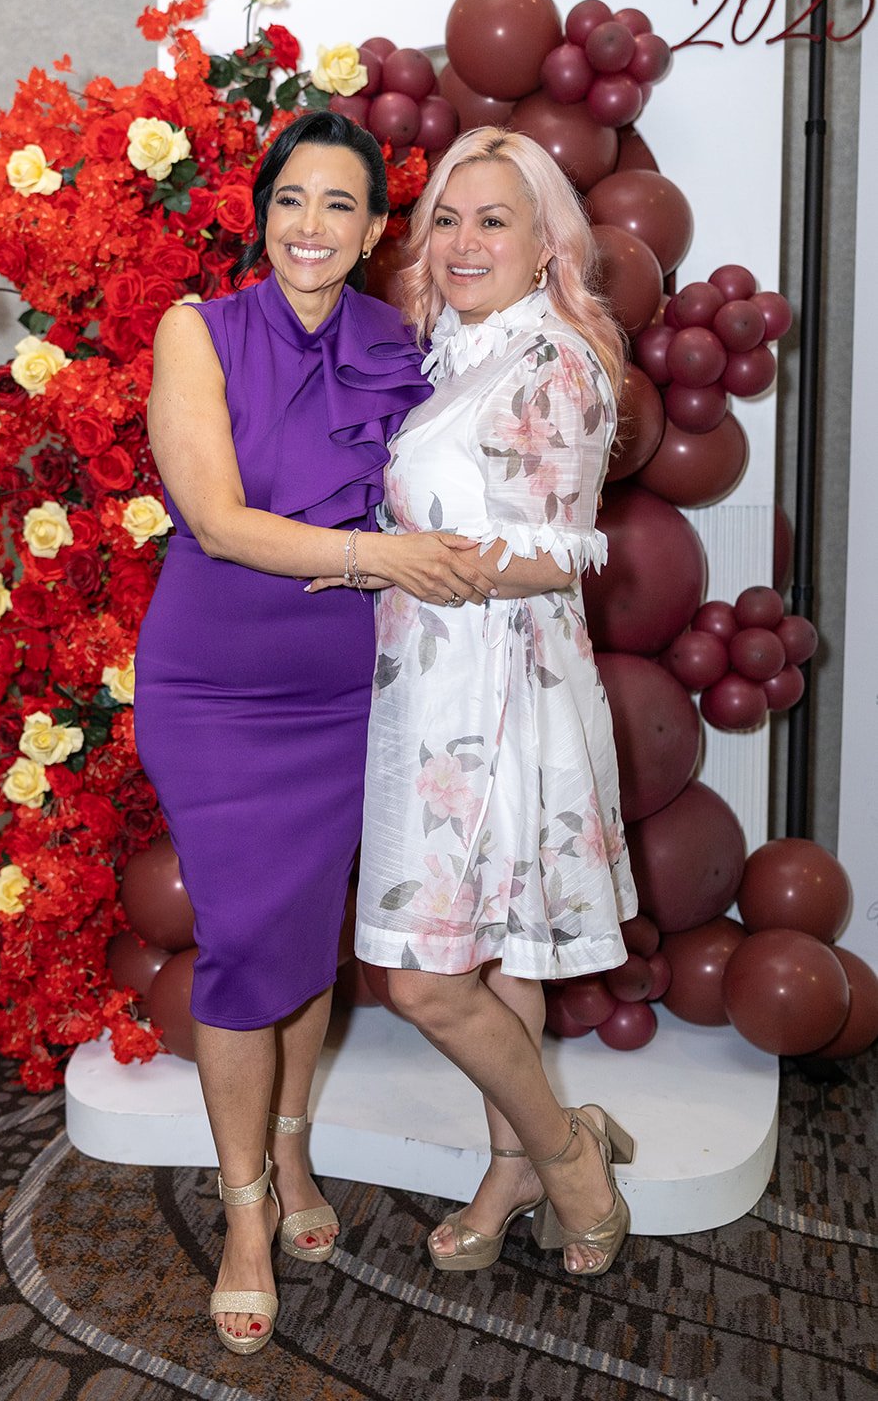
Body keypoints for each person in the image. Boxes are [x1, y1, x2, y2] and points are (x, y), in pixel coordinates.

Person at [134, 111, 494, 1355]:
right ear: (261, 212)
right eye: (290, 198)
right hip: (215, 689)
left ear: (376, 225)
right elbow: (218, 520)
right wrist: (379, 556)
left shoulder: (399, 341)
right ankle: (243, 1214)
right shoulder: (199, 330)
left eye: (340, 203)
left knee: (298, 932)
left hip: (347, 693)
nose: (310, 225)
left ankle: (288, 1151)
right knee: (245, 939)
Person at [353, 127, 639, 1278]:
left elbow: (553, 557)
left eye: (492, 220)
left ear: (543, 245)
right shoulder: (454, 352)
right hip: (436, 686)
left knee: (424, 979)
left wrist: (387, 560)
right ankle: (514, 1164)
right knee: (497, 958)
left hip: (500, 699)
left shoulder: (555, 359)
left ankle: (569, 1154)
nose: (462, 242)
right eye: (447, 220)